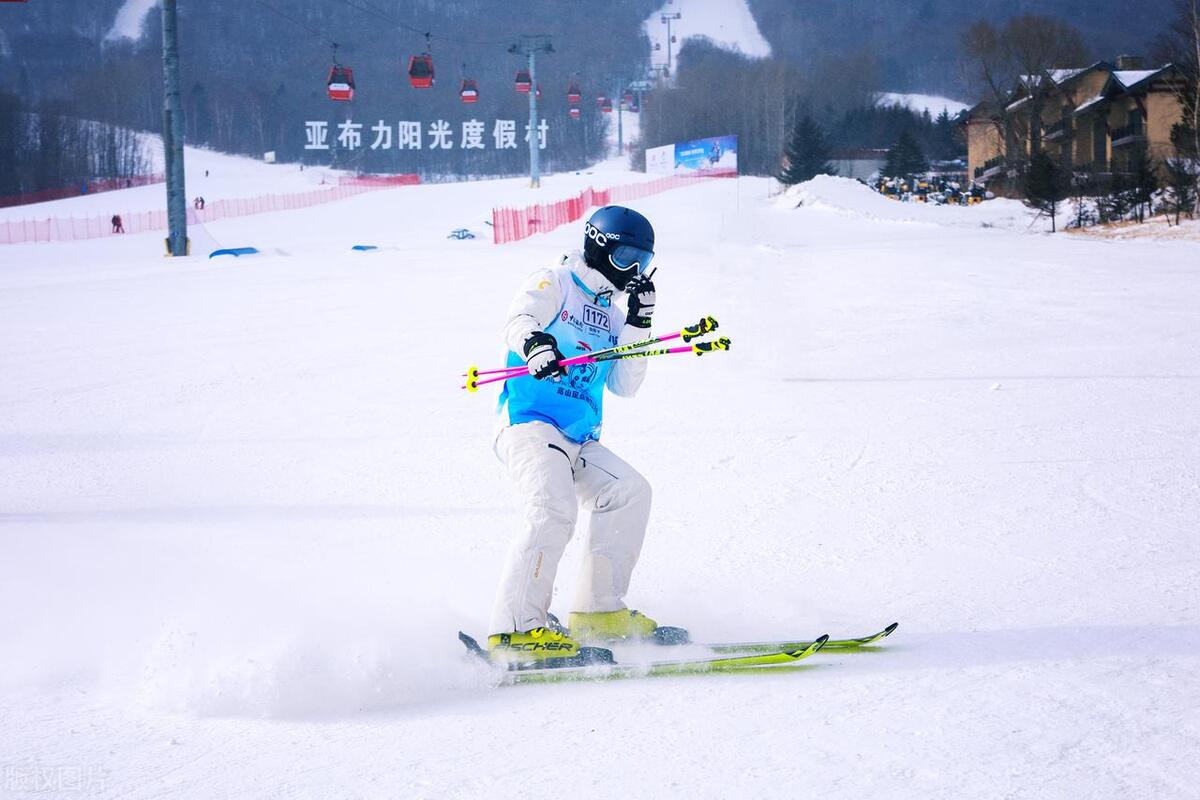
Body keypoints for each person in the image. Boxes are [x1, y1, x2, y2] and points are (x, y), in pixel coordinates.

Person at [488, 206, 662, 665]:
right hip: (530, 423)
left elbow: (626, 385)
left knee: (629, 492)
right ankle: (516, 628)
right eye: (626, 257)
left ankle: (598, 610)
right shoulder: (555, 282)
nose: (633, 271)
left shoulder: (612, 315)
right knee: (552, 507)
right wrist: (535, 344)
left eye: (641, 263)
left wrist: (639, 323)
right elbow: (518, 319)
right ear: (599, 245)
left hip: (580, 438)